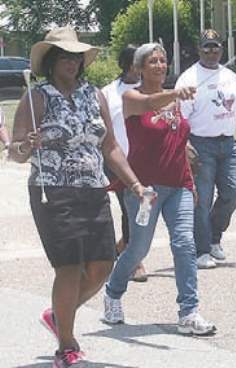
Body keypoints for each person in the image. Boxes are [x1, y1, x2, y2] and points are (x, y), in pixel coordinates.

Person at [7, 26, 146, 367]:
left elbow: (109, 145)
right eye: (64, 57)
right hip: (53, 192)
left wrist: (134, 184)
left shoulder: (94, 95)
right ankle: (66, 346)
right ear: (51, 62)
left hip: (93, 188)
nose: (71, 63)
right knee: (69, 268)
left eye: (76, 57)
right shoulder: (37, 96)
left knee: (102, 267)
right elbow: (15, 150)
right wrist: (28, 145)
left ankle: (59, 315)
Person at [103, 43, 216, 336]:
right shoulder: (130, 98)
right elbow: (149, 105)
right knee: (138, 247)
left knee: (184, 244)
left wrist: (190, 181)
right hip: (145, 189)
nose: (159, 65)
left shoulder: (174, 100)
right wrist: (175, 94)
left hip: (178, 184)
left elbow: (176, 142)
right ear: (138, 68)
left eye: (163, 60)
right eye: (152, 61)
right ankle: (113, 292)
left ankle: (188, 312)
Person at [175, 29, 236, 269]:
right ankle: (202, 250)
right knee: (201, 200)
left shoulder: (230, 77)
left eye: (215, 47)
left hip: (228, 143)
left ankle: (214, 237)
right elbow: (180, 119)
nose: (211, 51)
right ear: (198, 50)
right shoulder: (188, 79)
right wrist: (185, 146)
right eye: (207, 47)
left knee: (234, 191)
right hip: (201, 144)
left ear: (221, 49)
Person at [101, 45, 147, 282]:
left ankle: (120, 248)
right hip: (119, 161)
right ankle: (134, 259)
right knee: (131, 208)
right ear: (130, 65)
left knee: (144, 210)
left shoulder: (151, 90)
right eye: (142, 61)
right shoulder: (109, 92)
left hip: (148, 161)